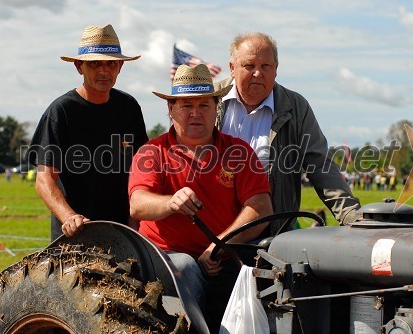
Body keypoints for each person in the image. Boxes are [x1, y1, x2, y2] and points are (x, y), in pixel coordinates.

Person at [128, 64, 273, 332]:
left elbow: (261, 208)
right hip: (166, 258)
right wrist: (170, 202)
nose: (196, 113)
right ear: (171, 110)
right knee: (186, 267)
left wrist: (219, 246)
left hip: (225, 256)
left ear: (216, 107)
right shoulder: (152, 152)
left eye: (204, 105)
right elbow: (138, 205)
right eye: (186, 105)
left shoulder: (238, 151)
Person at [215, 32, 361, 232]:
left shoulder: (296, 107)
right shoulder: (208, 100)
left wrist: (352, 216)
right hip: (212, 231)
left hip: (272, 234)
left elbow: (320, 165)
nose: (258, 73)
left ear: (276, 69)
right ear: (232, 68)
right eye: (249, 66)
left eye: (265, 66)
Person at [26, 24, 148, 241]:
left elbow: (141, 171)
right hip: (74, 236)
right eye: (94, 64)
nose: (104, 71)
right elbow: (44, 180)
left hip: (122, 234)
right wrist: (69, 217)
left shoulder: (129, 107)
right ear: (79, 66)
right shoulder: (61, 111)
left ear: (120, 66)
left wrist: (134, 223)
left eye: (111, 63)